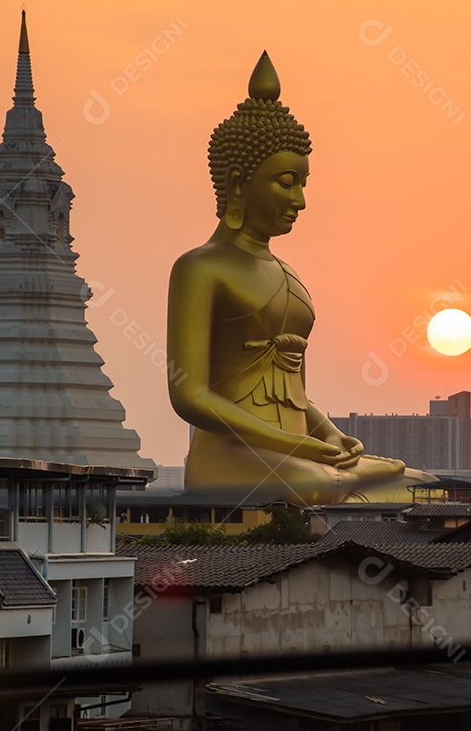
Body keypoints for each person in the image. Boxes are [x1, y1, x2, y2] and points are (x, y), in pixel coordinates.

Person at [167, 52, 436, 505]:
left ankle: (344, 477)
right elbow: (190, 395)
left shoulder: (287, 274)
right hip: (230, 456)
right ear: (238, 182)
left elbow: (296, 394)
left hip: (301, 454)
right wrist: (297, 446)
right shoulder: (200, 267)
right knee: (320, 485)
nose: (300, 200)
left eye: (303, 184)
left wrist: (329, 435)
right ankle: (338, 480)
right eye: (287, 182)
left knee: (424, 487)